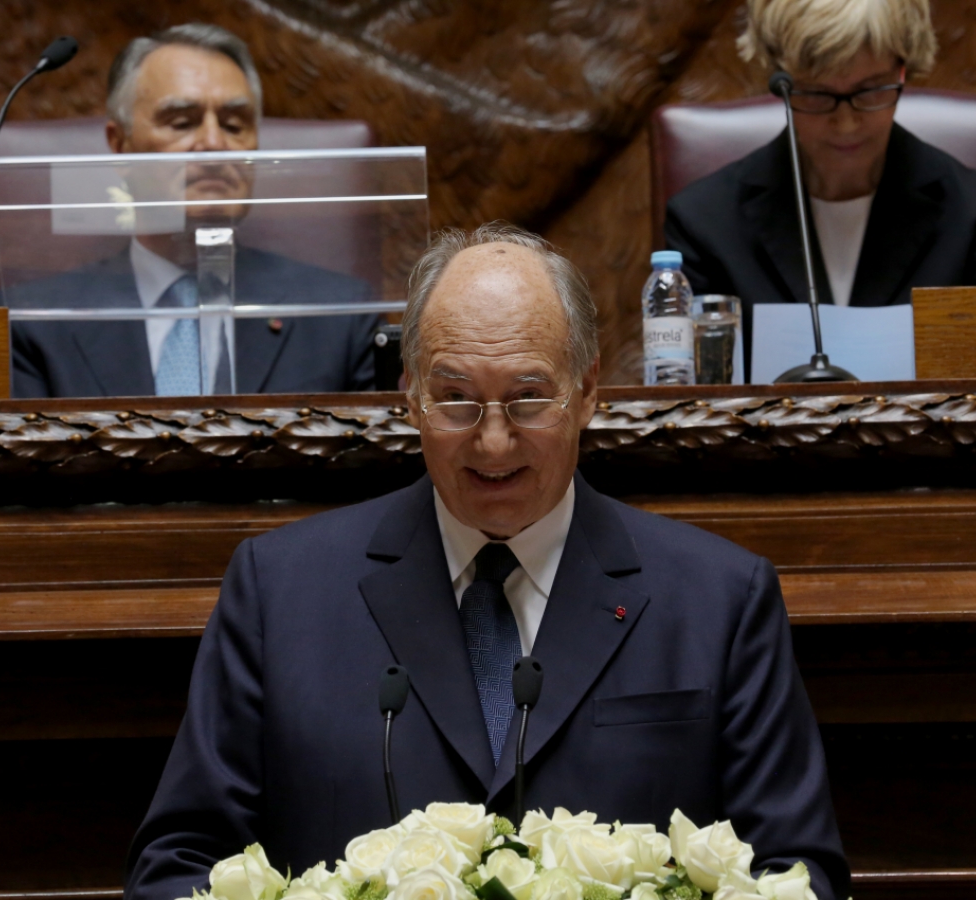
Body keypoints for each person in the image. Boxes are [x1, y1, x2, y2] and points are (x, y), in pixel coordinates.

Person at [124, 223, 850, 900]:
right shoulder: (280, 593)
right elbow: (177, 865)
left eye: (529, 400)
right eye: (456, 401)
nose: (493, 443)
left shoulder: (718, 600)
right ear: (408, 393)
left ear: (589, 389)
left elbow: (799, 871)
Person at [0, 24, 379, 398]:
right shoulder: (30, 323)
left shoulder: (341, 316)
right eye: (182, 123)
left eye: (233, 125)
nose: (214, 144)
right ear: (120, 145)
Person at [664, 0, 976, 315]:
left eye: (870, 91)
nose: (846, 123)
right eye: (818, 94)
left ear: (902, 71)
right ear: (779, 81)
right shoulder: (703, 223)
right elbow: (690, 387)